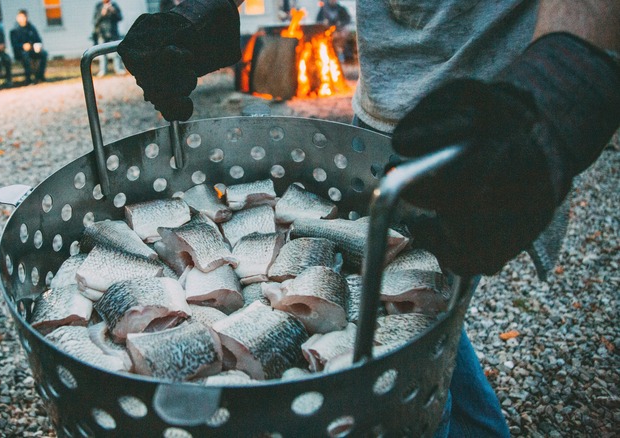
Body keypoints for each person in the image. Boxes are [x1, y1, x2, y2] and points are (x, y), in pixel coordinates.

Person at [117, 0, 620, 436]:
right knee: (416, 317)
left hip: (492, 123)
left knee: (415, 339)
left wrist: (561, 75)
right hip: (379, 120)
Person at [9, 9, 48, 85]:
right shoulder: (14, 31)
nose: (24, 19)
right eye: (21, 17)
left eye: (25, 16)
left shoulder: (31, 28)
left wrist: (37, 45)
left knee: (44, 54)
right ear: (17, 18)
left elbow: (38, 39)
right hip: (20, 52)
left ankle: (40, 76)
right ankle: (28, 78)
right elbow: (14, 45)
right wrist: (23, 46)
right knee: (25, 55)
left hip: (32, 50)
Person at [92, 0, 125, 76]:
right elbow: (95, 21)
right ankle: (103, 70)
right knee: (102, 53)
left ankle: (118, 69)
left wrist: (113, 11)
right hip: (102, 33)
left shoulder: (114, 5)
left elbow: (120, 18)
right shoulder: (98, 6)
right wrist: (102, 13)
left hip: (113, 32)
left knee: (116, 53)